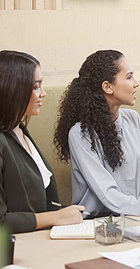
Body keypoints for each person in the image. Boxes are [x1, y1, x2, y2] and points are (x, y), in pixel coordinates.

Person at [54, 50, 140, 217]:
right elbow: (109, 196)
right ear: (107, 87)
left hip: (133, 218)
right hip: (98, 224)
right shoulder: (81, 134)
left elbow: (134, 179)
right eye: (129, 77)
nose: (136, 83)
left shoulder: (133, 119)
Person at [0, 50, 84, 233]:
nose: (43, 93)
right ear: (13, 88)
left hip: (43, 234)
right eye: (36, 86)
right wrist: (56, 217)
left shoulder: (19, 129)